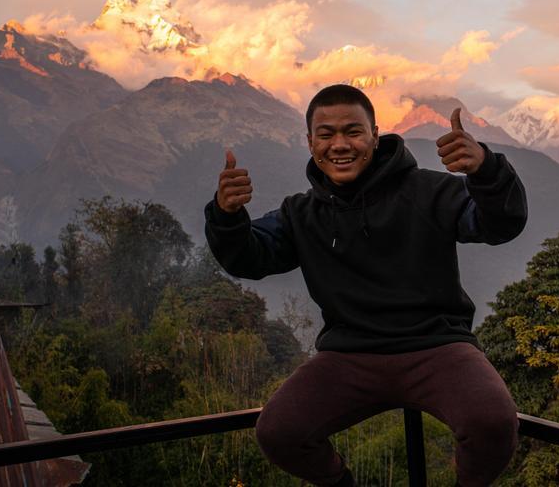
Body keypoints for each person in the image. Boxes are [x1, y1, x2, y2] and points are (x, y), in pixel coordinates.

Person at [204, 84, 528, 486]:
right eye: (326, 135)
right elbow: (250, 258)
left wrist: (487, 170)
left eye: (353, 132)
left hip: (439, 346)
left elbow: (500, 224)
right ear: (310, 143)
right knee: (279, 432)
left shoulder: (429, 191)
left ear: (375, 135)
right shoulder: (301, 214)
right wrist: (227, 217)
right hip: (348, 354)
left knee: (493, 423)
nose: (340, 145)